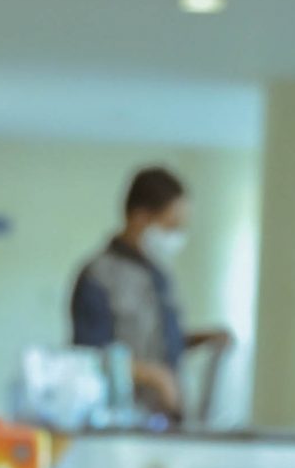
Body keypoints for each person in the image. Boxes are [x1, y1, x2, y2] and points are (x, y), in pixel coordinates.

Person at [69, 166, 233, 423]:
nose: (177, 235)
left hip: (169, 419)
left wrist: (202, 338)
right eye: (171, 224)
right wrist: (154, 377)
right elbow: (88, 357)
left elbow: (158, 340)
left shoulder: (158, 274)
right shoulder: (98, 276)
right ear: (140, 218)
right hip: (122, 421)